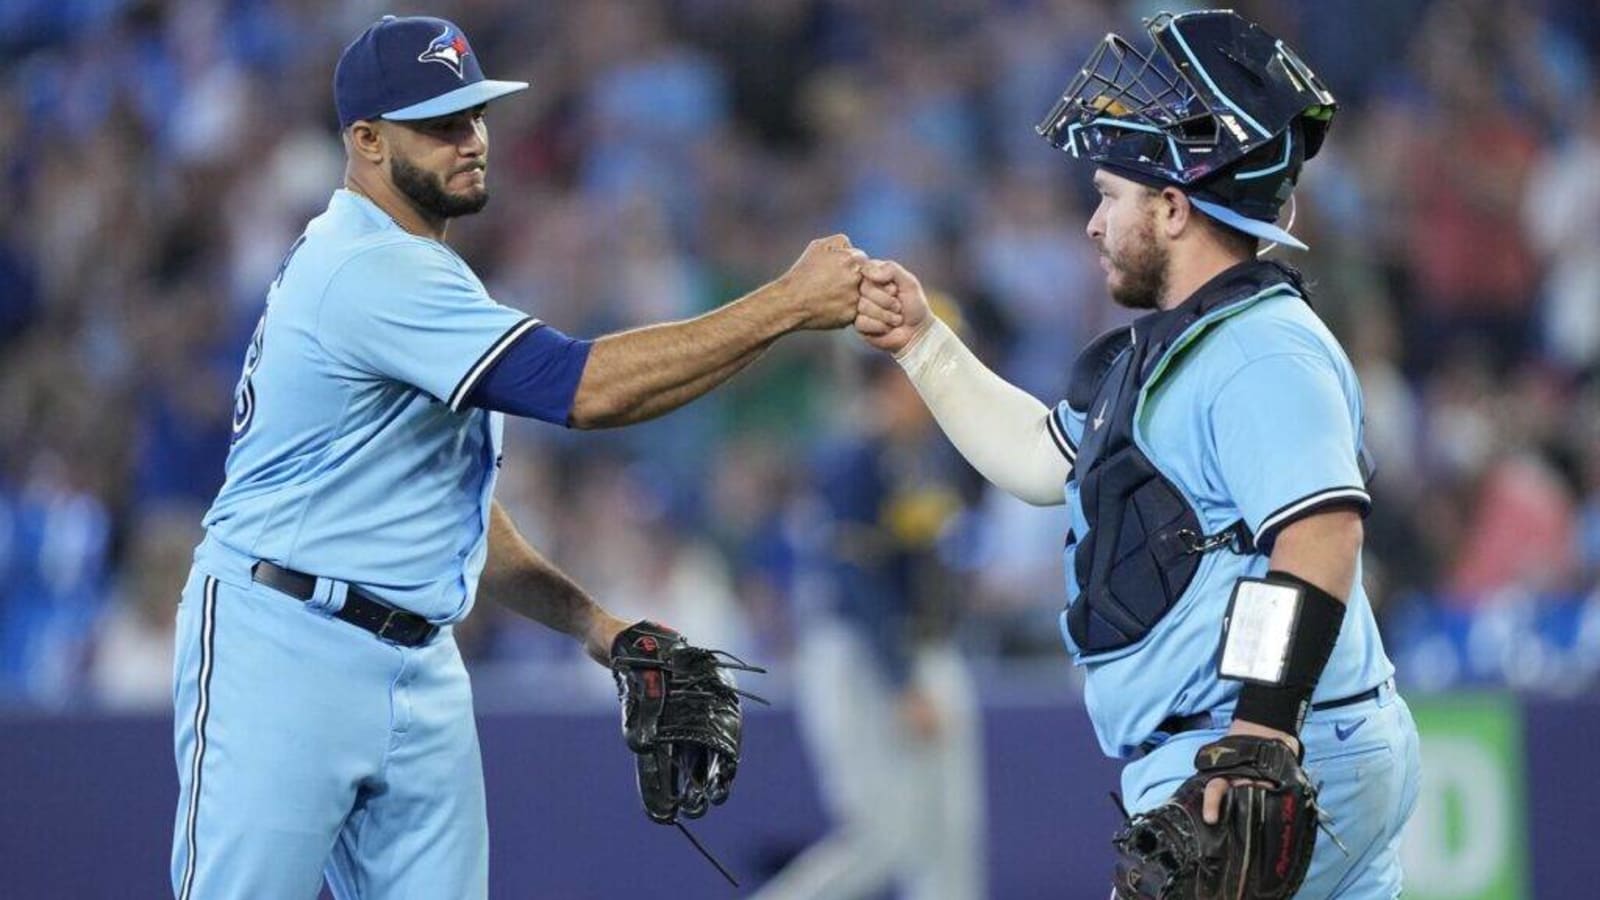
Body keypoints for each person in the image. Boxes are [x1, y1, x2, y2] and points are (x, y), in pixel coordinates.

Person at [170, 15, 864, 900]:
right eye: (441, 123)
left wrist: (594, 625)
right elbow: (586, 390)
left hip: (418, 659)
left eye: (475, 113)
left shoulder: (429, 271)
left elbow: (449, 509)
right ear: (367, 141)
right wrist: (785, 304)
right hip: (283, 645)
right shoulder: (364, 270)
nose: (471, 140)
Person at [854, 11, 1420, 897]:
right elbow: (1045, 463)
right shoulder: (1177, 349)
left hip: (1253, 749)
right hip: (1268, 745)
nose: (1091, 224)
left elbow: (1316, 537)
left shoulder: (1260, 351)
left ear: (1172, 207)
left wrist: (1263, 726)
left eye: (1109, 196)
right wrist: (924, 344)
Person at [753, 352, 984, 900]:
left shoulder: (921, 456)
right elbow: (853, 580)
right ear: (886, 382)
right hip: (862, 653)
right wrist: (903, 679)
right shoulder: (850, 457)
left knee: (948, 839)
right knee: (882, 838)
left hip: (922, 646)